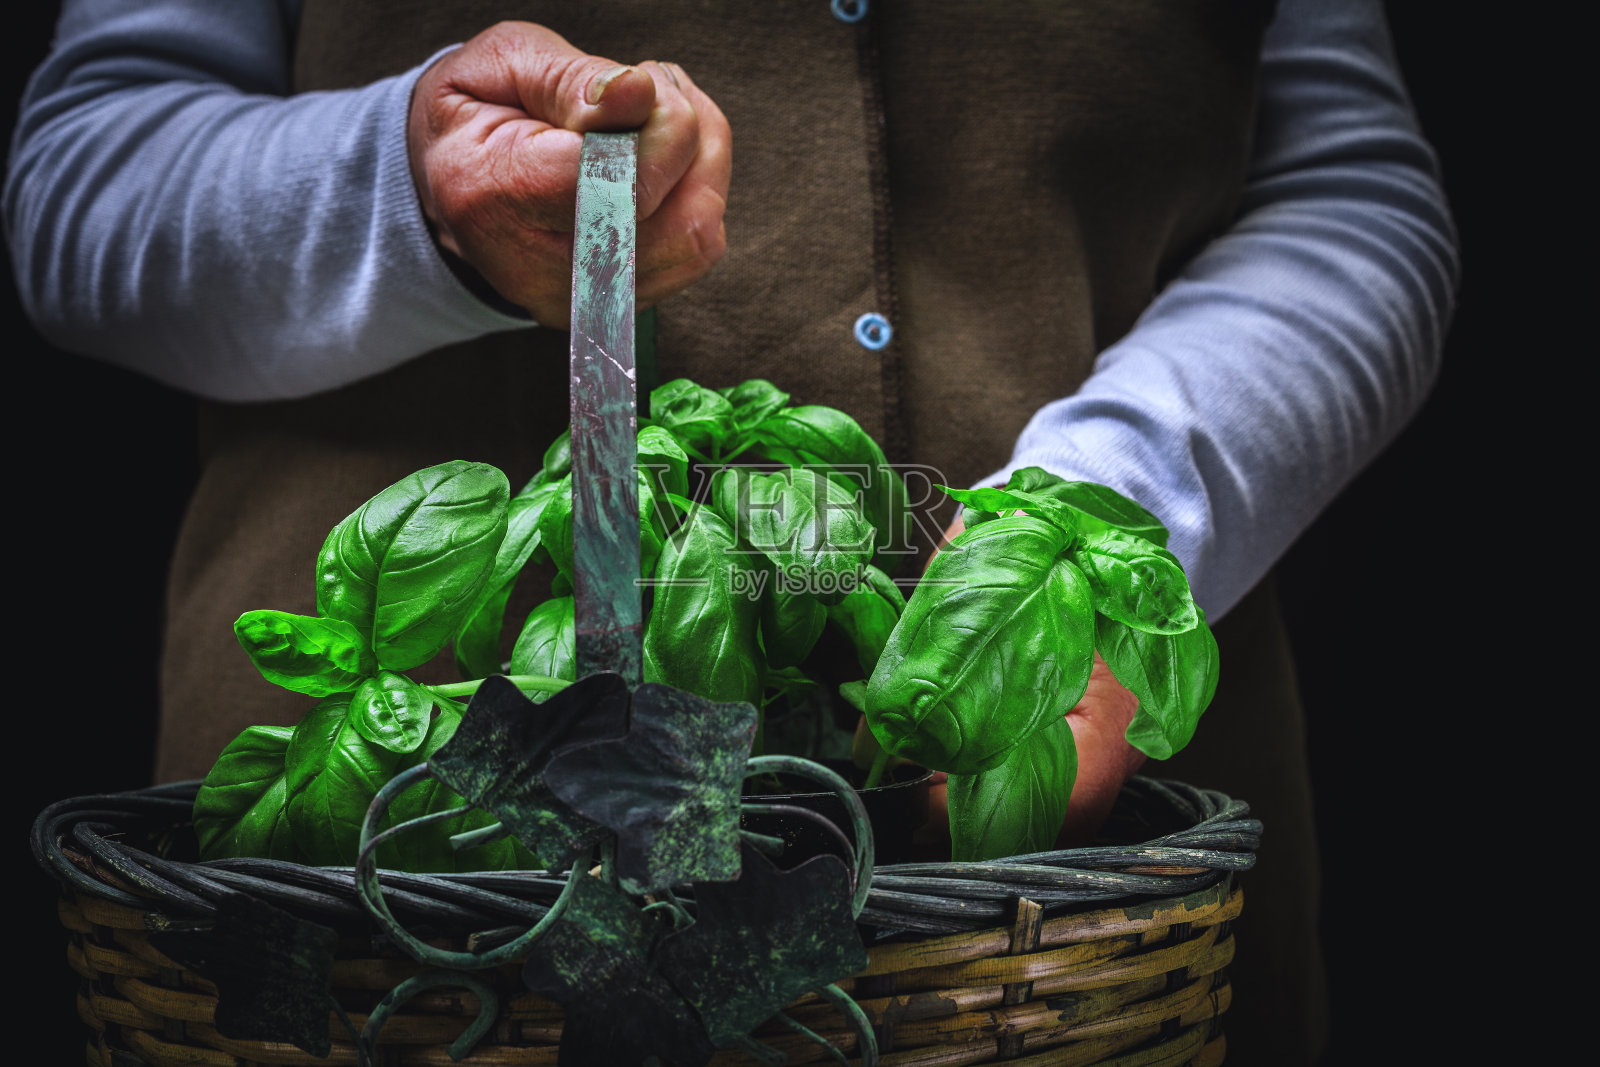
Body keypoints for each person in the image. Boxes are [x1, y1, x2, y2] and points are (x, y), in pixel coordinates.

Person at [5, 1, 1457, 1062]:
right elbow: (85, 182)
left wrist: (1116, 504)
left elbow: (1349, 188)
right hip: (419, 860)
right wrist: (411, 187)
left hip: (1078, 842)